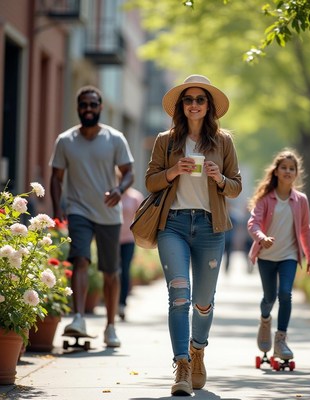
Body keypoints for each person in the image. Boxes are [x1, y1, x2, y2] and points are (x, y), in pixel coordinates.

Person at [145, 74, 242, 396]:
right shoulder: (166, 140)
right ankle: (182, 365)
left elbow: (236, 186)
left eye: (201, 100)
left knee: (203, 303)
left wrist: (219, 179)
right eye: (189, 99)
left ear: (209, 106)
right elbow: (150, 181)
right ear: (181, 106)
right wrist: (173, 171)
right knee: (179, 298)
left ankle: (198, 349)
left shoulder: (223, 141)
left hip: (210, 228)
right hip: (172, 224)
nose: (195, 105)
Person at [49, 85, 134, 348]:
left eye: (93, 104)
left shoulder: (115, 138)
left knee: (111, 272)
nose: (88, 109)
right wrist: (57, 209)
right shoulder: (65, 140)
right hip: (78, 210)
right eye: (83, 104)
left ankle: (110, 327)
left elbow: (129, 170)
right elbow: (56, 177)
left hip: (109, 213)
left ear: (100, 108)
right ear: (78, 108)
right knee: (80, 260)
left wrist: (120, 189)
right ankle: (78, 318)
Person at [247, 148, 310, 362]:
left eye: (291, 168)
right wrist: (262, 237)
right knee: (269, 298)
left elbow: (305, 230)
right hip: (267, 257)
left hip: (288, 256)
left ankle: (281, 340)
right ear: (276, 171)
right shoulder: (265, 199)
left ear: (296, 173)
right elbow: (253, 223)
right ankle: (265, 320)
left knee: (285, 294)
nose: (287, 171)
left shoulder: (301, 200)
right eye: (284, 168)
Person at [118, 186, 144, 320]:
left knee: (125, 271)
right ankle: (112, 301)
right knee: (112, 271)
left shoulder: (135, 197)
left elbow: (143, 217)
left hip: (128, 239)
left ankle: (122, 303)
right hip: (113, 239)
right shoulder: (113, 194)